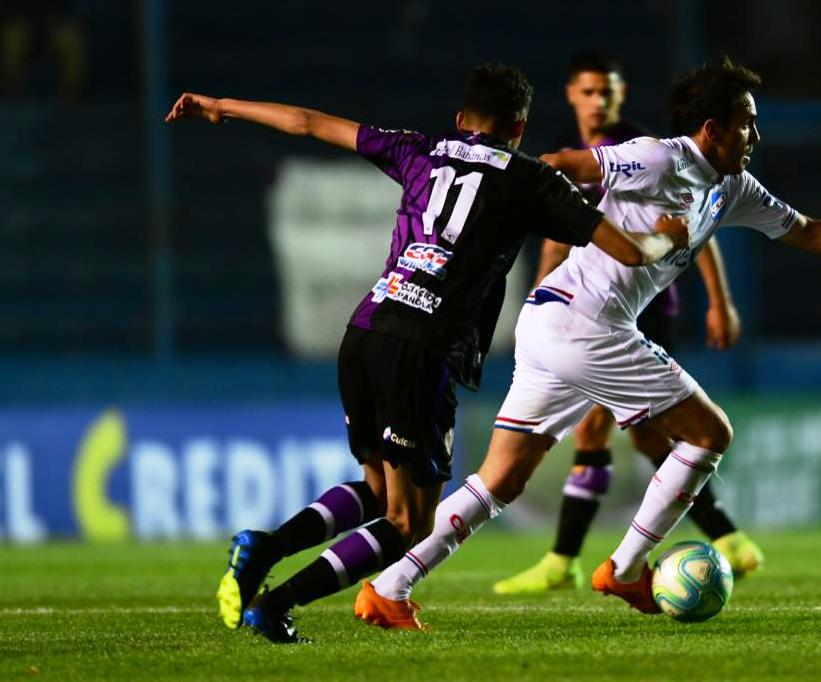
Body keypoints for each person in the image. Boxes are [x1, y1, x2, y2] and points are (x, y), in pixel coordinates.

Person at [355, 57, 821, 630]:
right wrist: (503, 206)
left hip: (554, 322)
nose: (757, 135)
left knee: (502, 479)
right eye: (747, 123)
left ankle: (390, 588)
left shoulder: (732, 186)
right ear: (712, 129)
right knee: (709, 433)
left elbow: (808, 231)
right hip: (587, 324)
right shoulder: (656, 159)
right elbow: (562, 162)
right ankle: (625, 567)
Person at [164, 63, 690, 643]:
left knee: (375, 490)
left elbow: (307, 122)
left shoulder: (419, 148)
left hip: (366, 327)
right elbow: (630, 252)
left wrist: (220, 104)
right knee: (408, 521)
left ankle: (265, 547)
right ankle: (277, 603)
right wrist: (669, 234)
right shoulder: (530, 179)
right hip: (421, 347)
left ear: (462, 119)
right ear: (520, 126)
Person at [493, 50, 761, 596]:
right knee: (637, 434)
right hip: (585, 308)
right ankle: (704, 540)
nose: (600, 101)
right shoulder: (589, 153)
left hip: (638, 311)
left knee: (637, 431)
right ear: (571, 94)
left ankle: (572, 559)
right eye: (590, 91)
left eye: (608, 91)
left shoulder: (644, 149)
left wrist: (718, 299)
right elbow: (568, 223)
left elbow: (693, 226)